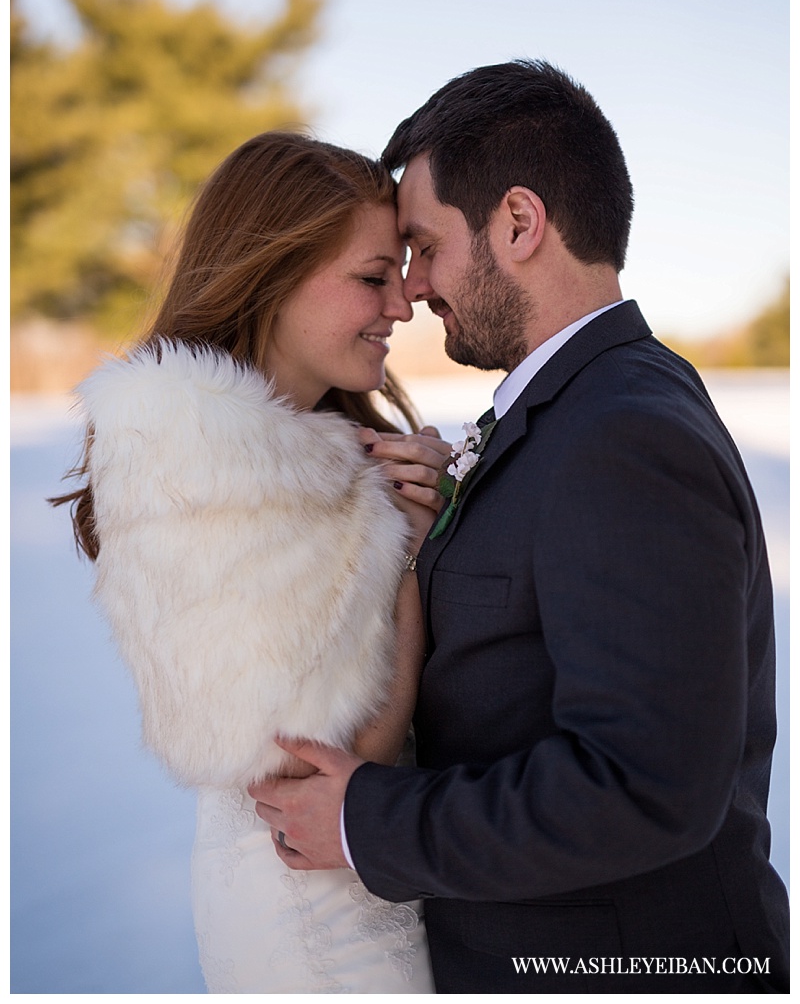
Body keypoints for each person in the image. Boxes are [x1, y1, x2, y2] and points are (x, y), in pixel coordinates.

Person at [249, 62, 790, 993]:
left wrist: (363, 821)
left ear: (518, 223)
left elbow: (645, 787)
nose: (413, 289)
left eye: (423, 246)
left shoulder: (623, 431)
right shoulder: (590, 405)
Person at [54, 132, 449, 993]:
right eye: (373, 277)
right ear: (274, 275)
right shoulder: (195, 455)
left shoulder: (321, 455)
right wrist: (411, 550)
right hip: (317, 919)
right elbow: (326, 769)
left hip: (367, 882)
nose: (403, 305)